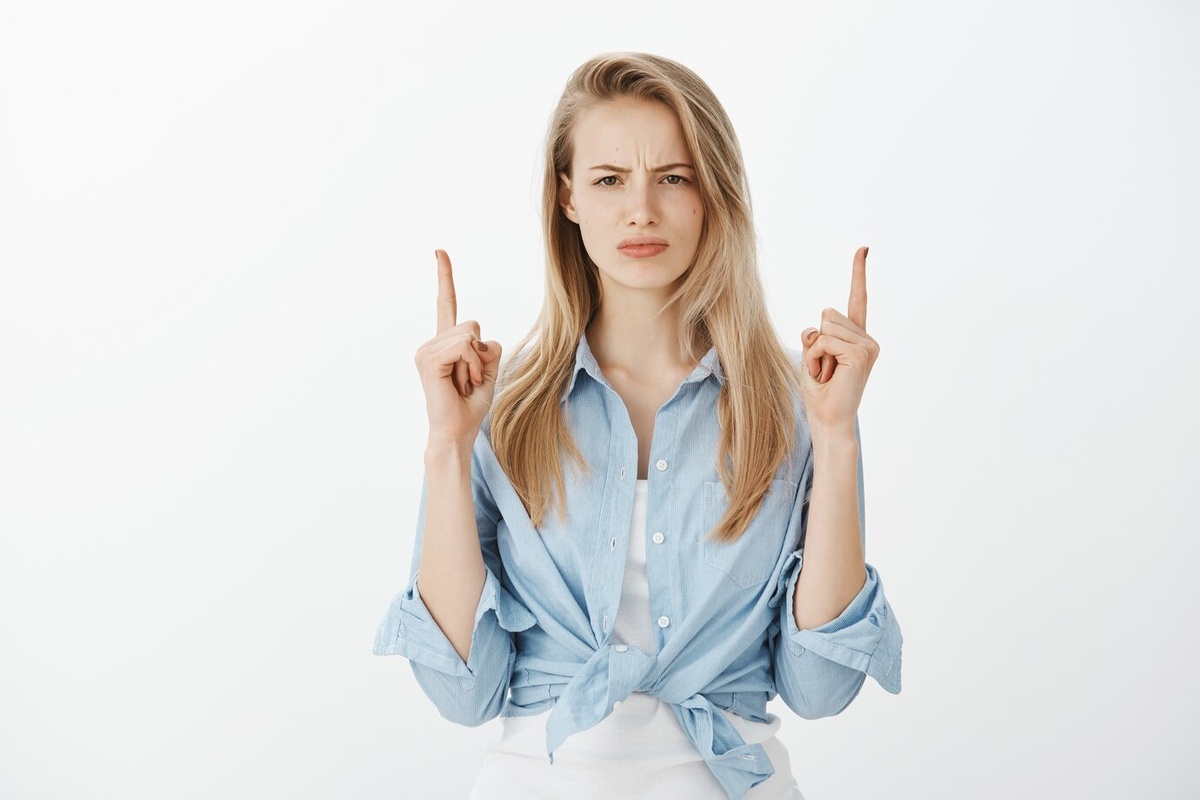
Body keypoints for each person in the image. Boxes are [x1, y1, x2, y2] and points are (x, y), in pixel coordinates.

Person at [373, 52, 902, 800]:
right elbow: (464, 693)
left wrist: (838, 438)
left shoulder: (797, 400)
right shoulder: (497, 404)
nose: (642, 210)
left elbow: (819, 687)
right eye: (609, 179)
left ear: (711, 192)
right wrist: (447, 447)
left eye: (674, 178)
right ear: (568, 196)